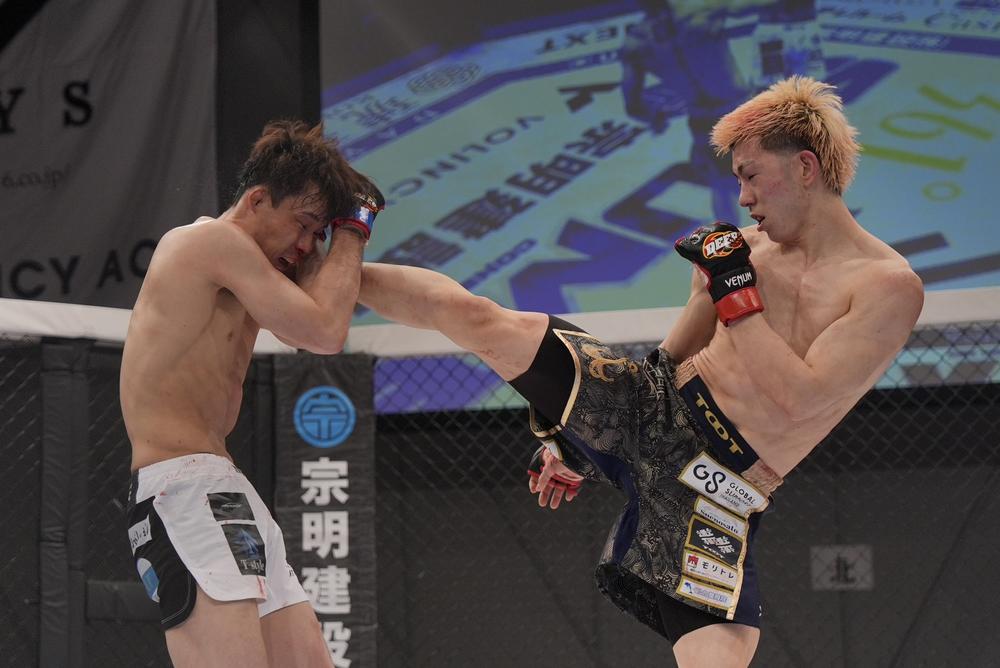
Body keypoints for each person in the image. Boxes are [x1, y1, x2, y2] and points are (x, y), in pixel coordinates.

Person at [358, 77, 923, 667]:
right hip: (648, 405)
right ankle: (329, 265)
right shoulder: (741, 251)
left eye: (751, 176)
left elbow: (800, 400)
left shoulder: (885, 286)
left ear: (805, 167)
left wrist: (736, 295)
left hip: (717, 484)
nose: (743, 197)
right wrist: (578, 437)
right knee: (481, 319)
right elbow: (672, 355)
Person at [120, 120, 382, 668]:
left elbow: (313, 319)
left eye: (318, 234)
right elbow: (324, 331)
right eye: (304, 225)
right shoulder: (210, 243)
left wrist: (334, 232)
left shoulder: (251, 270)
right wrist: (354, 227)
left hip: (224, 488)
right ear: (258, 199)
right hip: (183, 488)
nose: (306, 245)